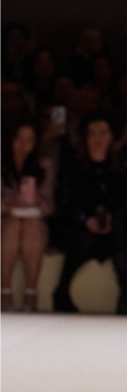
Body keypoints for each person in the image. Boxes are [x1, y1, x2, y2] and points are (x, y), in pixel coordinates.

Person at [52, 112, 127, 315]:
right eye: (92, 133)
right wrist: (85, 219)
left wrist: (110, 217)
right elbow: (65, 201)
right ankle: (62, 291)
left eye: (103, 132)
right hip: (79, 227)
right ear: (85, 137)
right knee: (81, 238)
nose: (98, 138)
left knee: (118, 234)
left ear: (111, 137)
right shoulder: (73, 166)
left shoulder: (120, 167)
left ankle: (125, 296)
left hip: (112, 228)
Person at [1, 122, 55, 311]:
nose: (23, 145)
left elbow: (49, 207)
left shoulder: (45, 166)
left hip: (34, 220)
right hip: (5, 219)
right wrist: (10, 204)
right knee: (13, 225)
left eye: (29, 140)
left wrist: (35, 200)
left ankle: (30, 292)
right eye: (19, 139)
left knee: (31, 225)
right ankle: (5, 291)